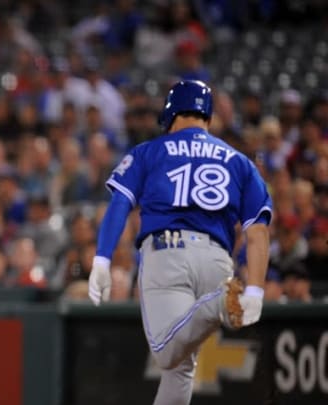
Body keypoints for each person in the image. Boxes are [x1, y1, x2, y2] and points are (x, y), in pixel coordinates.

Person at [88, 80, 272, 405]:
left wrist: (102, 259)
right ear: (208, 117)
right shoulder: (240, 161)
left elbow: (120, 203)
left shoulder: (151, 150)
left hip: (167, 254)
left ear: (170, 115)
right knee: (181, 369)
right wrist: (256, 289)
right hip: (218, 262)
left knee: (165, 352)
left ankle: (217, 305)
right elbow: (257, 232)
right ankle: (216, 302)